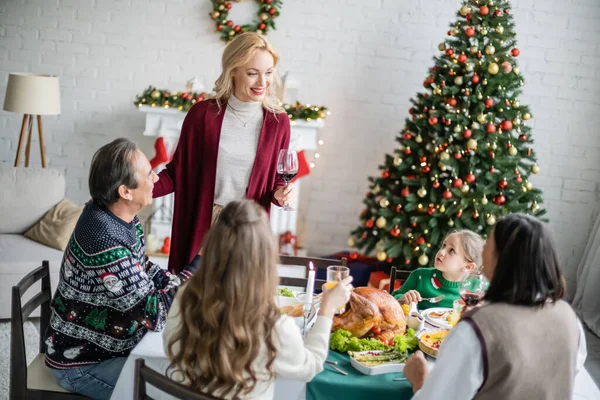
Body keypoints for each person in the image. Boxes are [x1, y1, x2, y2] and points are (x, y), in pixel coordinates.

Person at [44, 138, 196, 399]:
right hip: (83, 364)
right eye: (149, 174)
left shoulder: (118, 215)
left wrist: (177, 281)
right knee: (176, 388)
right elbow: (156, 313)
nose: (156, 179)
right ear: (125, 191)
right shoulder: (104, 239)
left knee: (187, 362)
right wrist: (200, 264)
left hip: (113, 346)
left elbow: (144, 268)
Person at [163, 200, 353, 399]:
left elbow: (170, 346)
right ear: (264, 257)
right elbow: (310, 366)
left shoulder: (185, 297)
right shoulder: (274, 325)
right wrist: (327, 309)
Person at [153, 32, 295, 274]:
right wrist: (132, 191)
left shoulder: (278, 122)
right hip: (203, 226)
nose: (263, 82)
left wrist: (281, 193)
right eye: (253, 73)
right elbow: (177, 173)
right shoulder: (202, 115)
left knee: (238, 305)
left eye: (268, 72)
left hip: (247, 229)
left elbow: (275, 181)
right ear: (233, 71)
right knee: (190, 301)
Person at [404, 213, 587, 399]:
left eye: (487, 246)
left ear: (500, 260)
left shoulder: (476, 329)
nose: (482, 253)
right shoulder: (571, 320)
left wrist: (420, 380)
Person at [392, 230, 484, 310]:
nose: (441, 252)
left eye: (451, 250)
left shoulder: (476, 289)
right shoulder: (420, 276)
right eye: (444, 245)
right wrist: (403, 299)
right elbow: (392, 300)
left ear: (468, 267)